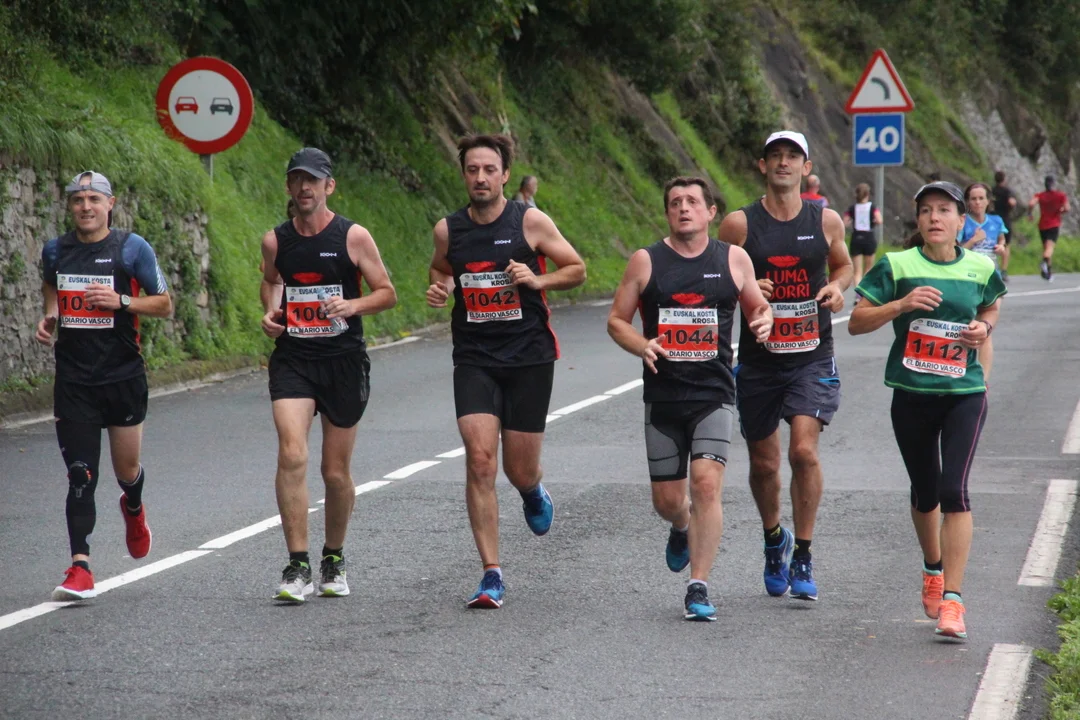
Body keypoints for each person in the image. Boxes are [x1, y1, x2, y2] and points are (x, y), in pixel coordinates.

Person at [426, 134, 586, 609]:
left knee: (518, 468)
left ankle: (532, 490)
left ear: (505, 175)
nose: (480, 178)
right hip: (474, 357)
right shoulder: (448, 230)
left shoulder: (529, 221)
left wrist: (538, 278)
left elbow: (576, 268)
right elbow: (441, 269)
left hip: (528, 358)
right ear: (464, 175)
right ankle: (491, 573)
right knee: (480, 460)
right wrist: (441, 287)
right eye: (472, 170)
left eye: (489, 170)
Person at [607, 177, 772, 620]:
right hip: (663, 397)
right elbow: (617, 321)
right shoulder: (646, 261)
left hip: (713, 394)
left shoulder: (733, 258)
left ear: (710, 212)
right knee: (667, 501)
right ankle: (681, 525)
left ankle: (698, 586)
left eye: (693, 202)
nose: (684, 208)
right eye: (676, 202)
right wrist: (642, 344)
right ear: (667, 213)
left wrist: (764, 320)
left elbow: (758, 306)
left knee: (705, 485)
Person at [849, 181, 1005, 640]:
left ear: (961, 221)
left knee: (954, 491)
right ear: (918, 221)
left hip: (964, 393)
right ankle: (933, 567)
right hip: (912, 394)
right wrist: (900, 304)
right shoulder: (897, 265)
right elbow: (856, 322)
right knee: (926, 491)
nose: (935, 218)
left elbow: (991, 307)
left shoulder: (981, 266)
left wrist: (983, 329)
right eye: (926, 211)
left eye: (944, 210)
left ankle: (953, 601)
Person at [718, 130, 852, 602]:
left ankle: (804, 554)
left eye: (792, 156)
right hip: (759, 360)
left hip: (812, 355)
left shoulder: (825, 219)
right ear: (762, 165)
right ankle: (774, 539)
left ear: (806, 167)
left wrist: (837, 288)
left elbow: (843, 267)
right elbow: (716, 280)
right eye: (774, 155)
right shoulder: (738, 224)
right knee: (764, 463)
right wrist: (747, 288)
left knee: (803, 453)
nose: (783, 162)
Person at [260, 147, 397, 603]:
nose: (305, 188)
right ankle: (297, 564)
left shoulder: (353, 237)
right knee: (291, 453)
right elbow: (272, 281)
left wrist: (352, 305)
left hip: (342, 361)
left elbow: (387, 293)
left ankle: (333, 556)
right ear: (288, 186)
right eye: (297, 180)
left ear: (329, 186)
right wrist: (271, 312)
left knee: (334, 472)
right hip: (294, 359)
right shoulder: (275, 241)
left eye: (313, 180)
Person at [35, 171, 173, 601]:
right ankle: (80, 567)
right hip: (74, 380)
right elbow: (52, 285)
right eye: (78, 200)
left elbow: (165, 304)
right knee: (81, 474)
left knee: (126, 470)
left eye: (94, 199)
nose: (86, 207)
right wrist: (51, 314)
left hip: (122, 378)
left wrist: (122, 301)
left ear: (110, 204)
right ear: (70, 206)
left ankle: (133, 506)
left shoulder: (131, 249)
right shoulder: (56, 250)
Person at [960, 183, 1007, 379]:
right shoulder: (963, 222)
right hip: (970, 281)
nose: (977, 202)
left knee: (986, 330)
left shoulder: (996, 220)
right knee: (970, 328)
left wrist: (1001, 247)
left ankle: (983, 381)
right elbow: (956, 251)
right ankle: (963, 372)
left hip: (992, 281)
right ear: (968, 202)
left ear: (988, 201)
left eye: (981, 198)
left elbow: (1002, 239)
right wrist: (974, 240)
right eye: (973, 199)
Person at [1028, 175, 1069, 281]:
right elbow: (1067, 208)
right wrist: (1060, 211)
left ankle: (1047, 272)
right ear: (1053, 183)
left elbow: (1031, 203)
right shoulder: (1060, 195)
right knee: (1050, 247)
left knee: (1046, 248)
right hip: (1054, 224)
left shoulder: (1040, 195)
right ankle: (1044, 262)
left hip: (1042, 225)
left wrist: (1030, 214)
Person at [843, 182, 883, 286]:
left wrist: (851, 221)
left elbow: (845, 222)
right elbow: (879, 220)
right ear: (867, 194)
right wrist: (873, 222)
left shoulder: (852, 208)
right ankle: (864, 292)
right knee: (868, 269)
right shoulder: (872, 207)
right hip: (868, 237)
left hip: (856, 237)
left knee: (857, 272)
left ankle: (857, 293)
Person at [991, 171, 1017, 281]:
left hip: (992, 218)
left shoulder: (992, 190)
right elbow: (1012, 202)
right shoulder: (1007, 191)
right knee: (1006, 245)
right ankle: (1004, 270)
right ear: (1004, 179)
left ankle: (992, 267)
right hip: (1004, 219)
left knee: (992, 243)